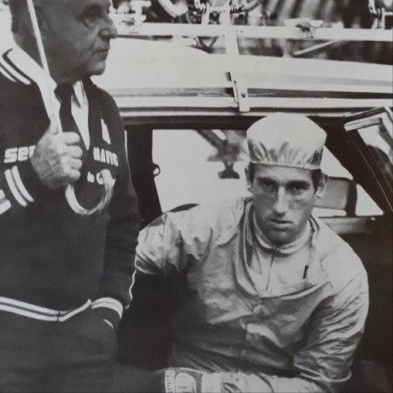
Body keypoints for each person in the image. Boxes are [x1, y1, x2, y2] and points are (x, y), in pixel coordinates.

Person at [132, 113, 369, 393]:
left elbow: (319, 385)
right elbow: (121, 257)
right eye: (268, 185)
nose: (280, 206)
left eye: (297, 188)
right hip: (180, 378)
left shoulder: (342, 273)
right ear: (249, 179)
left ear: (320, 187)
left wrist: (207, 387)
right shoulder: (208, 225)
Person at [0, 0, 140, 392]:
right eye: (90, 16)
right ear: (39, 23)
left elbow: (124, 224)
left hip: (84, 351)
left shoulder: (103, 109)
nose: (111, 30)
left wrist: (107, 312)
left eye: (110, 13)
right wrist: (29, 177)